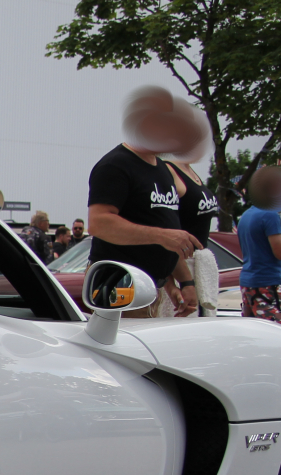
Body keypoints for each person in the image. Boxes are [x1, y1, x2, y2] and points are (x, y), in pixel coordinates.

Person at [86, 86, 203, 317]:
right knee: (123, 351)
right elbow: (98, 223)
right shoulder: (115, 165)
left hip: (151, 286)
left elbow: (170, 234)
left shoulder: (162, 169)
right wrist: (163, 236)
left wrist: (184, 282)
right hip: (119, 283)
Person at [165, 113, 221, 315]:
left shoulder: (190, 170)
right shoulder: (168, 169)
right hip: (181, 263)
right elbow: (165, 227)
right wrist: (178, 280)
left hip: (200, 264)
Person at [235, 167, 281, 329]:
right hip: (267, 283)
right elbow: (280, 251)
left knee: (255, 331)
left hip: (248, 282)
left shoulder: (247, 215)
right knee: (278, 329)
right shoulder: (269, 214)